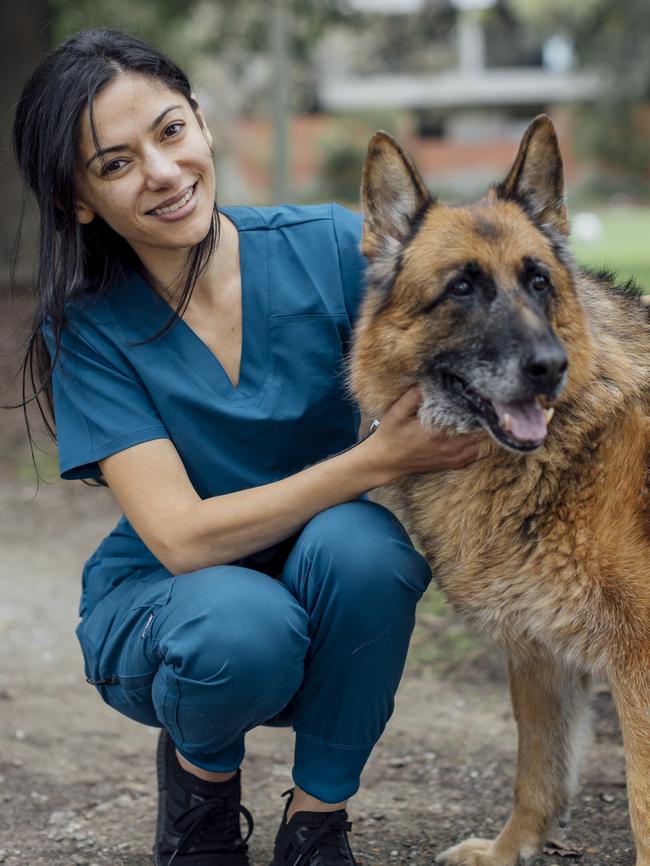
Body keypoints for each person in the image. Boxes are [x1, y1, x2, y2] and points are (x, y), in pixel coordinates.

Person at [12, 29, 482, 866]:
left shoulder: (330, 249)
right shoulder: (89, 328)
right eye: (114, 164)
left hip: (322, 567)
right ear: (78, 200)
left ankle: (317, 823)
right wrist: (374, 461)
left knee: (369, 552)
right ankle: (201, 795)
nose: (161, 172)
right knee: (239, 622)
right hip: (169, 605)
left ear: (202, 122)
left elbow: (463, 312)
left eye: (169, 131)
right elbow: (182, 538)